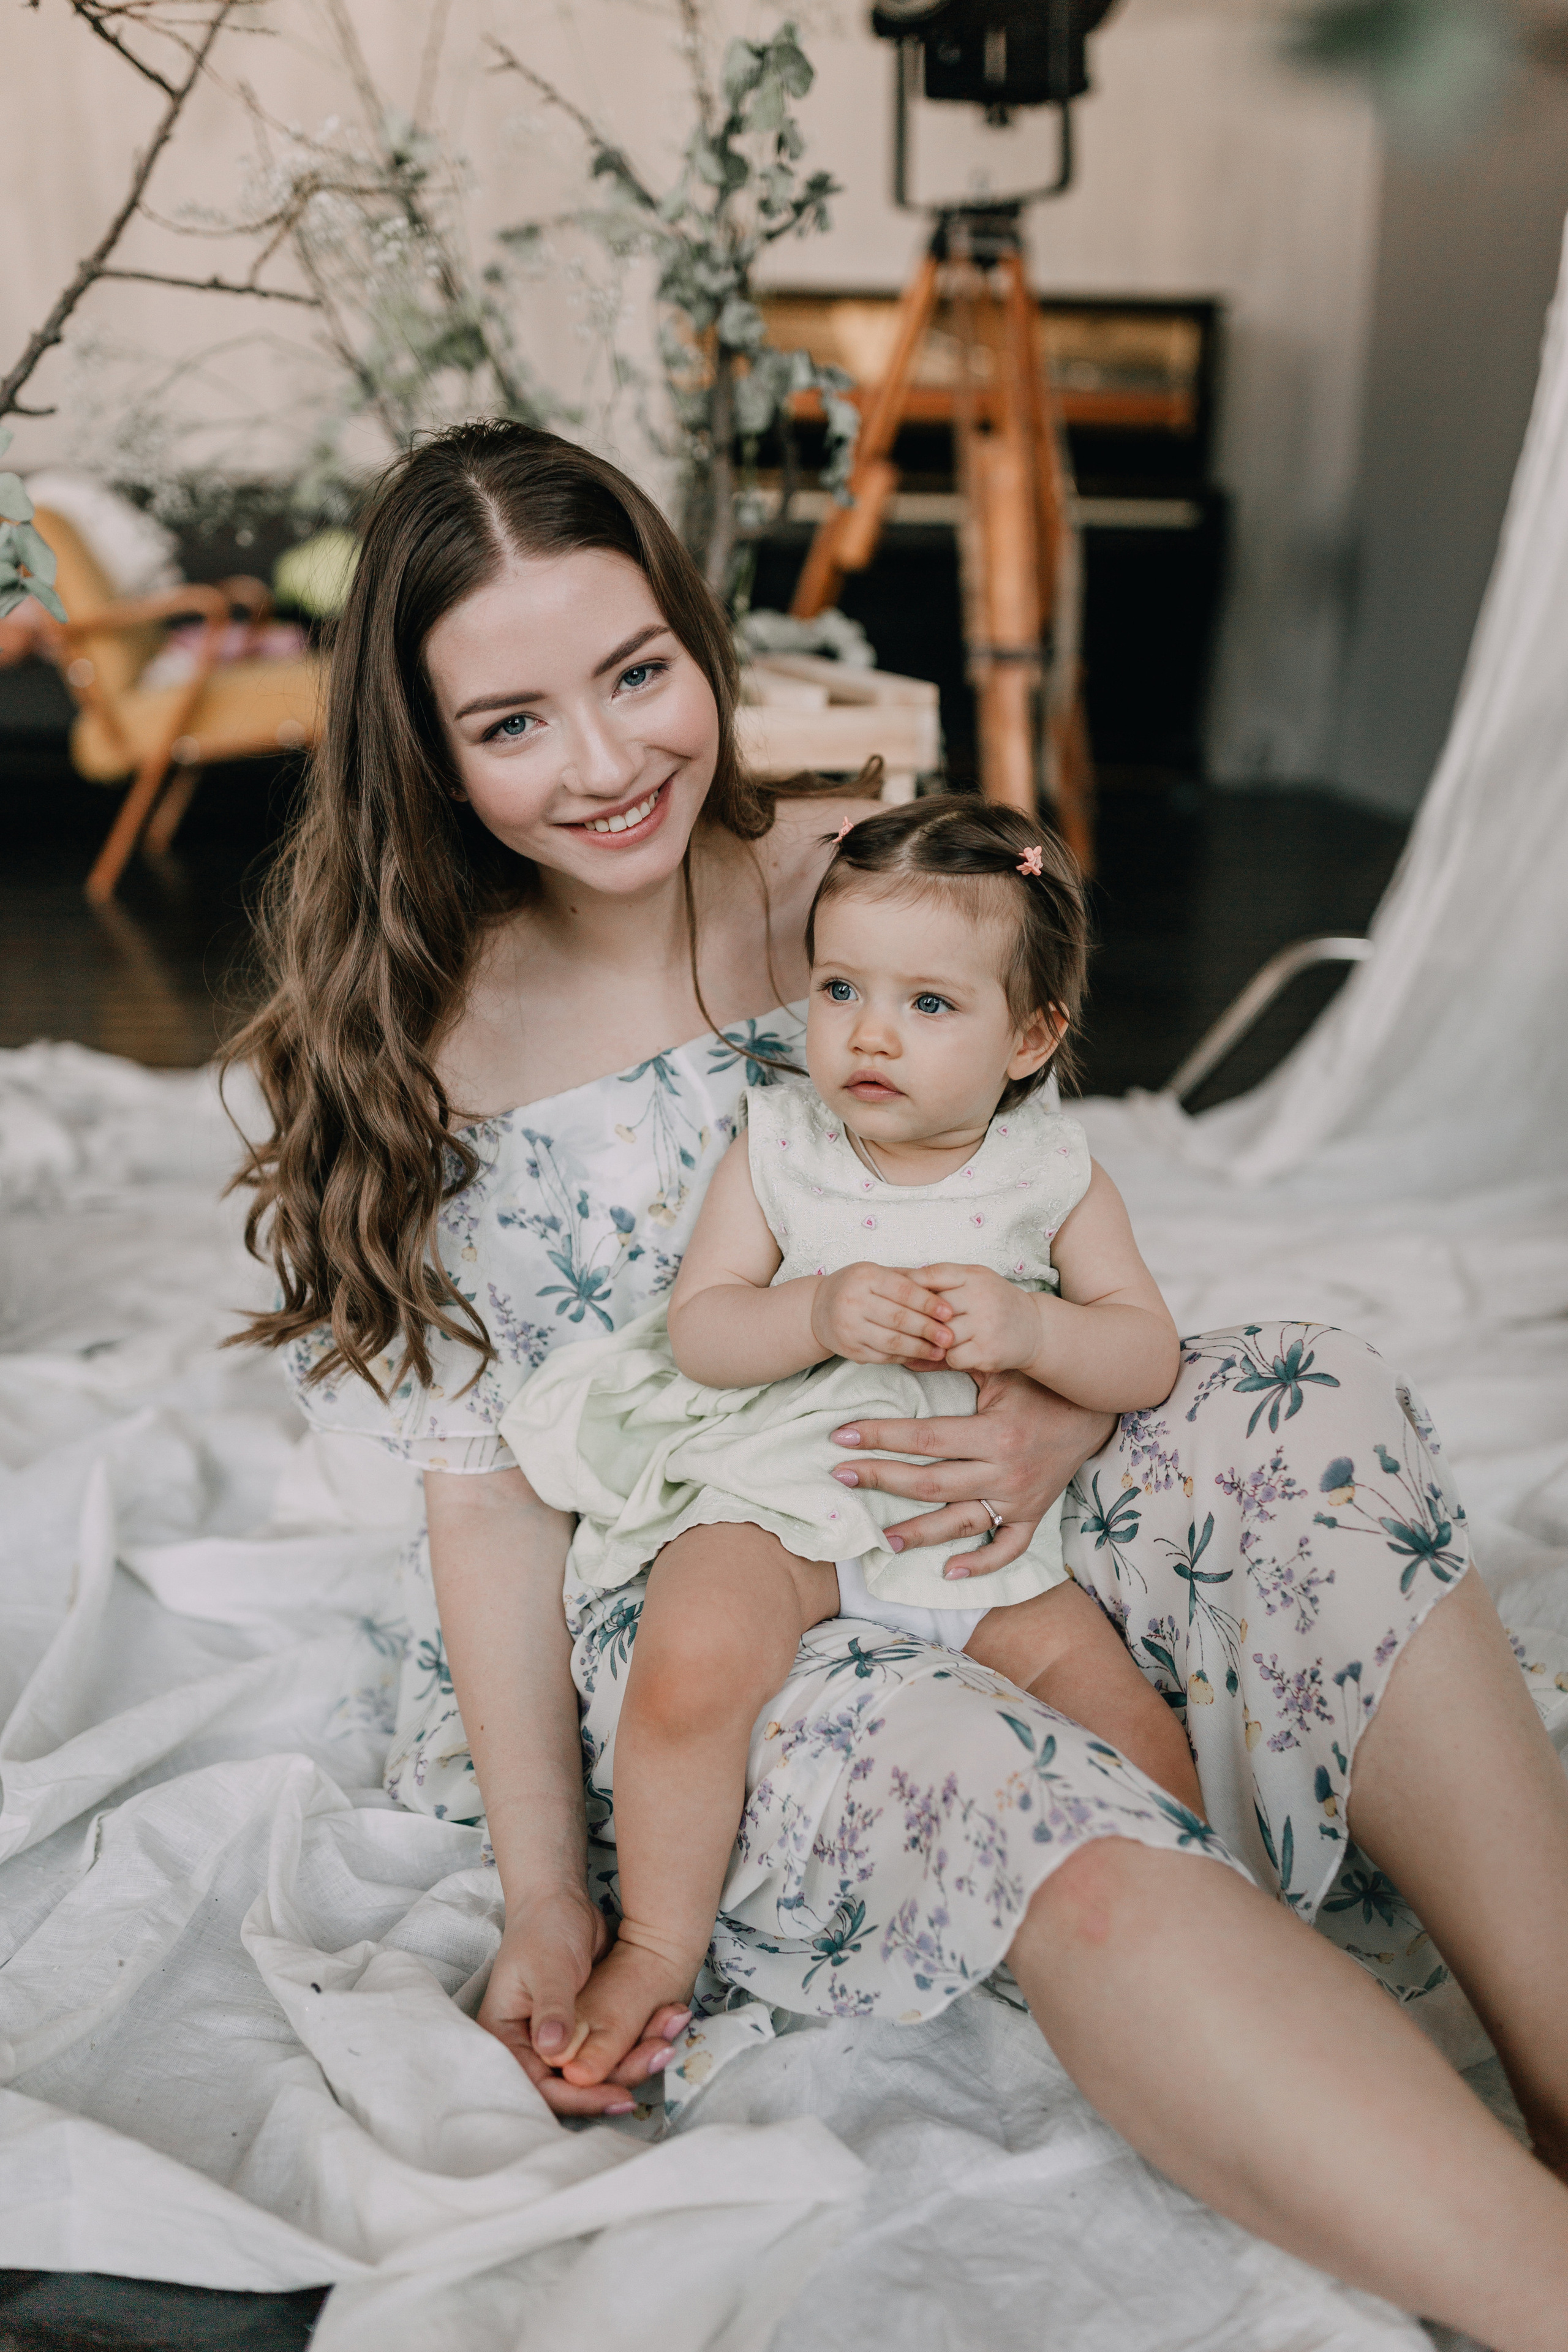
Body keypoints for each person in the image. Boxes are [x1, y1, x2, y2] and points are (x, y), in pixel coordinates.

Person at [228, 417, 1568, 2351]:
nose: (606, 764)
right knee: (991, 1774)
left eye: (634, 675)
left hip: (980, 1451)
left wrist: (1061, 1410)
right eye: (512, 721)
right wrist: (546, 1893)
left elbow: (1030, 1209)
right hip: (713, 1569)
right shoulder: (417, 1036)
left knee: (1306, 1396)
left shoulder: (845, 888)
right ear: (422, 749)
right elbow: (488, 1485)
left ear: (700, 642)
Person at [502, 795, 1201, 2081]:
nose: (869, 1033)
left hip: (972, 1537)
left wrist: (1035, 1333)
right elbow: (703, 1332)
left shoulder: (1051, 1175)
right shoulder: (778, 1147)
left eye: (930, 1005)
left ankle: (1212, 1934)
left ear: (1029, 1036)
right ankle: (657, 1937)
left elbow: (1140, 1349)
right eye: (838, 989)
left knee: (1132, 1728)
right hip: (781, 1493)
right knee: (686, 1671)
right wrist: (813, 1310)